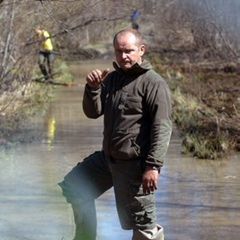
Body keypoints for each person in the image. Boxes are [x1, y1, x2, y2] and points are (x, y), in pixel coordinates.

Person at [58, 29, 172, 240]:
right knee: (75, 187)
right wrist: (93, 89)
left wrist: (153, 166)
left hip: (134, 166)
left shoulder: (154, 83)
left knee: (144, 228)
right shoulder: (111, 79)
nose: (123, 56)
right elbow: (92, 113)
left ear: (141, 50)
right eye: (119, 51)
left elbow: (162, 128)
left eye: (128, 51)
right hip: (107, 159)